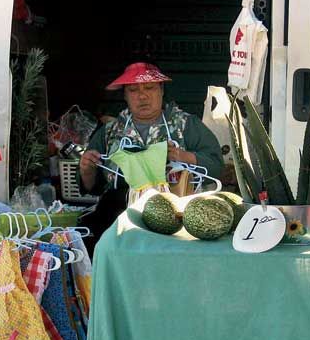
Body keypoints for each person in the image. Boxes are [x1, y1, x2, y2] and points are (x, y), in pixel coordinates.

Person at [78, 62, 223, 243]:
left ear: (161, 91)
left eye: (150, 88)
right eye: (133, 90)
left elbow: (216, 166)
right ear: (125, 95)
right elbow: (93, 187)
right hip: (120, 221)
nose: (142, 95)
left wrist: (183, 156)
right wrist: (87, 169)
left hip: (176, 219)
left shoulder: (185, 125)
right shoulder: (110, 132)